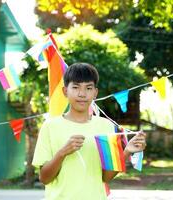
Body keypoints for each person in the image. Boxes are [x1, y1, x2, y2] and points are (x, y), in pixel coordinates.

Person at [32, 63, 146, 200]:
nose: (82, 94)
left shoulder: (106, 126)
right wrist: (62, 153)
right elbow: (44, 178)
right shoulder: (50, 126)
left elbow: (105, 177)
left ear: (95, 93)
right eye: (75, 87)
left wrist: (126, 151)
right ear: (65, 91)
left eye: (88, 88)